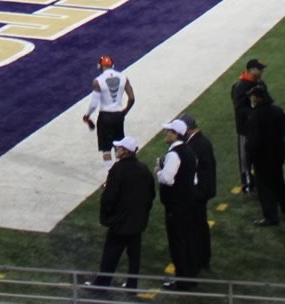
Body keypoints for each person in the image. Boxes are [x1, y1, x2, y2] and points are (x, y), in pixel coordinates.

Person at [85, 134, 153, 295]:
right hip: (138, 222)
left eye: (118, 148)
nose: (116, 149)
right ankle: (132, 286)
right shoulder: (144, 169)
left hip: (121, 222)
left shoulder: (118, 169)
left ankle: (102, 284)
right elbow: (151, 194)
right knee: (134, 256)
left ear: (125, 151)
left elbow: (110, 197)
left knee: (110, 254)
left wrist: (108, 216)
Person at [155, 118, 202, 291]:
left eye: (169, 131)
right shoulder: (189, 151)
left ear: (176, 135)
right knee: (188, 240)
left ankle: (182, 281)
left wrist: (158, 171)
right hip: (188, 203)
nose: (165, 134)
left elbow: (167, 178)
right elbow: (194, 179)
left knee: (178, 244)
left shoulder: (174, 154)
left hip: (176, 206)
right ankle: (190, 277)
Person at [245, 84, 285, 226]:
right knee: (280, 184)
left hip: (262, 159)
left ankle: (271, 217)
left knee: (265, 189)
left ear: (257, 98)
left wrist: (249, 158)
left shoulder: (255, 116)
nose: (251, 98)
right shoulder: (278, 111)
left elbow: (253, 142)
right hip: (278, 155)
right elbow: (284, 130)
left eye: (252, 96)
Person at [179, 114, 218, 271]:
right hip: (203, 190)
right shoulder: (200, 141)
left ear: (187, 130)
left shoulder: (196, 144)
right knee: (200, 226)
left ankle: (198, 258)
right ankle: (203, 258)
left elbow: (190, 169)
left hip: (198, 192)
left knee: (195, 227)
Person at [82, 57, 134, 161]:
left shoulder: (98, 81)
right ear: (112, 65)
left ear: (100, 66)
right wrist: (125, 111)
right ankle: (120, 172)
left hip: (105, 116)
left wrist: (87, 115)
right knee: (119, 146)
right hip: (119, 115)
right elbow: (132, 98)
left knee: (106, 149)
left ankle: (110, 173)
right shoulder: (123, 78)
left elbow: (94, 104)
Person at [230, 58, 266, 193]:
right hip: (245, 128)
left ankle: (259, 180)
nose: (262, 71)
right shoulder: (241, 86)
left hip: (260, 127)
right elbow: (239, 108)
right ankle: (247, 183)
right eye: (259, 68)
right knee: (245, 157)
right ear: (251, 69)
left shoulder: (260, 84)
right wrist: (254, 112)